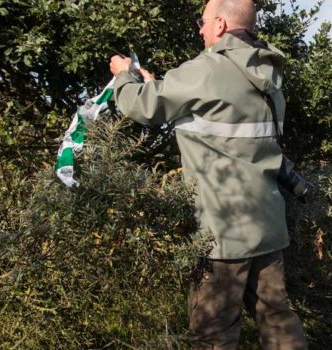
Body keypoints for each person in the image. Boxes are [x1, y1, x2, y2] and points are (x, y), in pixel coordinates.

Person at [108, 0, 307, 348]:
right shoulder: (269, 78)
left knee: (213, 335)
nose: (200, 30)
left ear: (220, 25)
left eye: (202, 23)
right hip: (269, 227)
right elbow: (218, 126)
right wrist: (158, 85)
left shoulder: (207, 69)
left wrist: (123, 76)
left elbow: (139, 106)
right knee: (277, 321)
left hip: (221, 234)